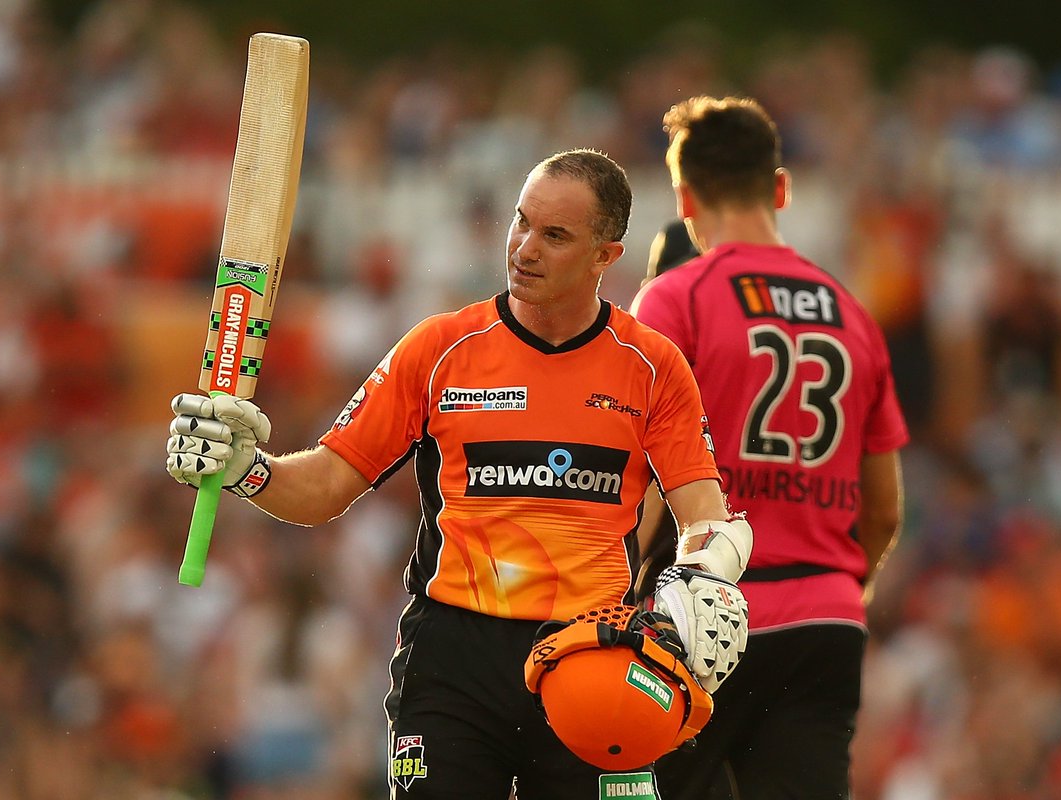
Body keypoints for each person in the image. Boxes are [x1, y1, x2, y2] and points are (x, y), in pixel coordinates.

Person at [166, 148, 754, 800]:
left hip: (594, 659)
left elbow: (703, 515)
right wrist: (247, 469)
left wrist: (704, 578)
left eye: (555, 235)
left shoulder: (653, 366)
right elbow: (326, 486)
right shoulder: (439, 349)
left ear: (604, 256)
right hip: (452, 661)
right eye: (521, 221)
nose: (525, 248)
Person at [630, 96, 909, 799]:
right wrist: (840, 586)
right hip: (824, 619)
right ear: (780, 189)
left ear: (685, 198)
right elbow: (883, 510)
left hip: (700, 615)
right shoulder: (853, 313)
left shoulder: (676, 298)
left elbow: (639, 477)